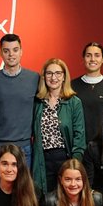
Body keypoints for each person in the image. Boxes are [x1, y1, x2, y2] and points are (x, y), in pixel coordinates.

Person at [0, 33, 42, 169]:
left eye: (15, 50)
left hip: (24, 146)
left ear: (21, 52)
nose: (11, 54)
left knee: (23, 189)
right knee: (0, 189)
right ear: (0, 53)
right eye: (6, 51)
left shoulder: (34, 78)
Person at [31, 57, 86, 194]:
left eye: (58, 73)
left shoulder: (74, 102)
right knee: (45, 199)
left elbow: (80, 135)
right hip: (43, 159)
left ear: (64, 77)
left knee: (65, 198)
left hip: (64, 157)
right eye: (49, 73)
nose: (53, 77)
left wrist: (75, 163)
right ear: (44, 77)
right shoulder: (38, 102)